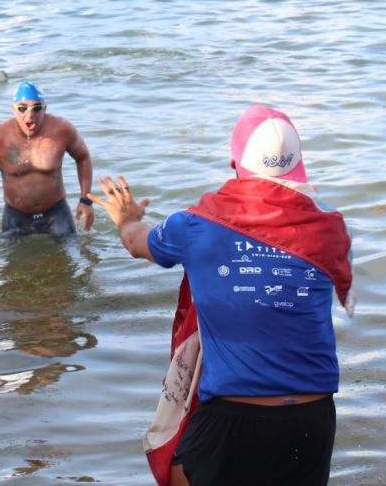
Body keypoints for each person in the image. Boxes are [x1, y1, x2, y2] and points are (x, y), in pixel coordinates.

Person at [90, 105, 353, 486]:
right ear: (299, 164)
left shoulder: (197, 225)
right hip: (314, 419)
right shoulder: (331, 227)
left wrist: (126, 218)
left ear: (235, 160)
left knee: (176, 470)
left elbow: (135, 242)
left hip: (233, 419)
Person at [0, 82, 95, 238]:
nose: (30, 114)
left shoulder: (62, 130)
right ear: (13, 109)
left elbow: (83, 158)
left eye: (37, 108)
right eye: (22, 108)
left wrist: (85, 201)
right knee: (15, 262)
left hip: (56, 212)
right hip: (16, 215)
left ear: (44, 109)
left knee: (68, 260)